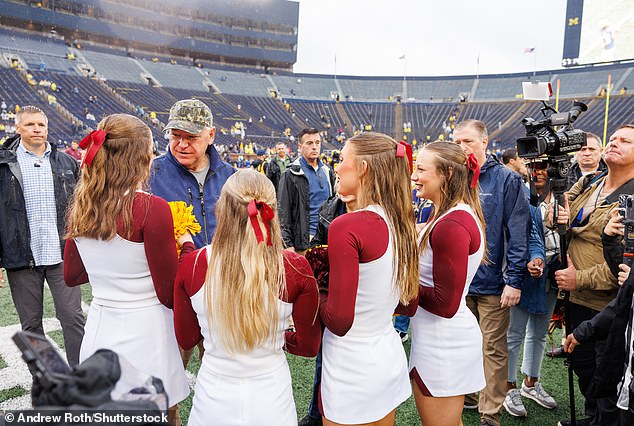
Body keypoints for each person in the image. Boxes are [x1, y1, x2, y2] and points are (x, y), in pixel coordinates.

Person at [63, 114, 190, 424]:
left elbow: (72, 275)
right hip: (148, 331)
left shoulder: (82, 204)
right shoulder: (150, 208)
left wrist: (109, 266)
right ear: (141, 158)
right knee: (161, 412)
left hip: (101, 327)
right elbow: (169, 292)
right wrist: (185, 246)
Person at [173, 169, 321, 426]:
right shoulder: (295, 267)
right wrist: (272, 337)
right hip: (271, 400)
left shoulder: (193, 264)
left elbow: (186, 338)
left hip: (213, 399)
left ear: (221, 209)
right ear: (272, 212)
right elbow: (309, 347)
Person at [319, 132, 419, 425]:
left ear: (363, 168)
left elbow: (339, 321)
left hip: (351, 365)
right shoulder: (401, 220)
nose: (336, 167)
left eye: (341, 159)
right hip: (386, 355)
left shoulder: (347, 226)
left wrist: (314, 287)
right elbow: (408, 305)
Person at [550, 124, 634, 426]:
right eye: (613, 138)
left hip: (608, 303)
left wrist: (579, 278)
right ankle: (591, 418)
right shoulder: (591, 181)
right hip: (575, 297)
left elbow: (626, 264)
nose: (615, 143)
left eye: (625, 141)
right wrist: (556, 212)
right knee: (583, 366)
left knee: (606, 374)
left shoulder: (632, 197)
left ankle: (600, 419)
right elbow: (555, 211)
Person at [453, 119, 530, 426]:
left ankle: (490, 413)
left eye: (467, 142)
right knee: (463, 343)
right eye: (456, 142)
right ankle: (471, 396)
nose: (461, 148)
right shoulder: (452, 177)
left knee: (493, 347)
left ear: (484, 142)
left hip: (492, 282)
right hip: (459, 281)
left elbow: (517, 232)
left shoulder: (506, 180)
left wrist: (513, 279)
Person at [408, 141, 486, 426]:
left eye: (420, 169)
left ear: (447, 175)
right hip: (436, 338)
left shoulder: (451, 224)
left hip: (443, 343)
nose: (414, 176)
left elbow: (445, 304)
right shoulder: (447, 214)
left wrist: (395, 287)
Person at [0, 105, 85, 366]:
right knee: (31, 324)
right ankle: (48, 378)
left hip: (61, 254)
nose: (37, 129)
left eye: (41, 125)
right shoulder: (4, 164)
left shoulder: (67, 162)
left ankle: (81, 376)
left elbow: (82, 206)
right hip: (20, 256)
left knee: (72, 317)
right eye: (30, 125)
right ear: (18, 128)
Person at [504, 157, 559, 418]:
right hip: (524, 274)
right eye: (534, 166)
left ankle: (531, 382)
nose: (539, 172)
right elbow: (525, 236)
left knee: (537, 333)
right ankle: (508, 386)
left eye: (544, 167)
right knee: (513, 334)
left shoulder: (568, 194)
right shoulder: (520, 193)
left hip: (554, 271)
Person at [150, 98, 236, 249]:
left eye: (191, 137)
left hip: (222, 269)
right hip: (174, 271)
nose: (182, 145)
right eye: (175, 135)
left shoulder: (231, 178)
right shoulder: (150, 175)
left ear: (211, 135)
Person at [278, 128, 335, 254]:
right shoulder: (290, 174)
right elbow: (283, 212)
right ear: (300, 146)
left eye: (317, 142)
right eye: (309, 143)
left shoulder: (328, 171)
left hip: (327, 240)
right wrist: (287, 244)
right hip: (304, 242)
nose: (314, 147)